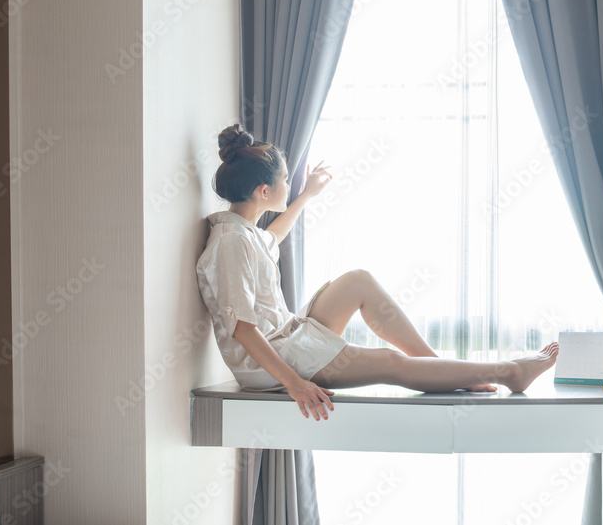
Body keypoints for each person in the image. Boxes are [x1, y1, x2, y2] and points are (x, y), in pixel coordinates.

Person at [195, 124, 559, 422]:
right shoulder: (231, 242)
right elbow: (243, 329)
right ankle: (509, 371)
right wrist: (295, 385)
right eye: (285, 182)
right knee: (390, 363)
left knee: (358, 280)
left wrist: (307, 195)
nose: (288, 187)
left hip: (288, 335)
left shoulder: (246, 234)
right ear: (264, 191)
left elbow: (273, 236)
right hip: (269, 363)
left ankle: (440, 368)